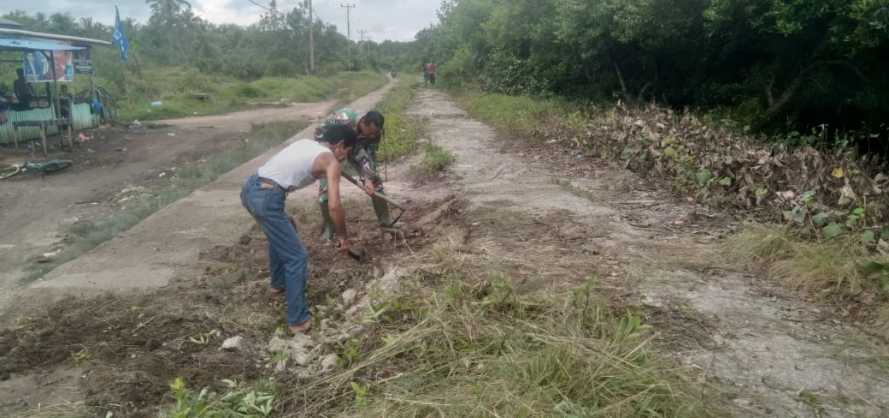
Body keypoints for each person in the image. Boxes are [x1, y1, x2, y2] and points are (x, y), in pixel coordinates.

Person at [241, 125, 359, 334]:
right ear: (340, 146)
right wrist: (343, 236)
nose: (343, 158)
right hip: (267, 198)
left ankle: (278, 284)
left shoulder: (307, 143)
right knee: (297, 258)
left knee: (287, 228)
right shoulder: (330, 161)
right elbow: (334, 206)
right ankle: (298, 320)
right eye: (346, 153)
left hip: (250, 188)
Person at [314, 108, 392, 240]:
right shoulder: (345, 119)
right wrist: (331, 158)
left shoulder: (375, 134)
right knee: (326, 189)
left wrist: (367, 178)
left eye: (375, 133)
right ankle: (329, 227)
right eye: (371, 133)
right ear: (363, 123)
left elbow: (368, 157)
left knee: (375, 182)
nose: (372, 136)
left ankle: (386, 222)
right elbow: (319, 133)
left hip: (355, 150)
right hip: (332, 147)